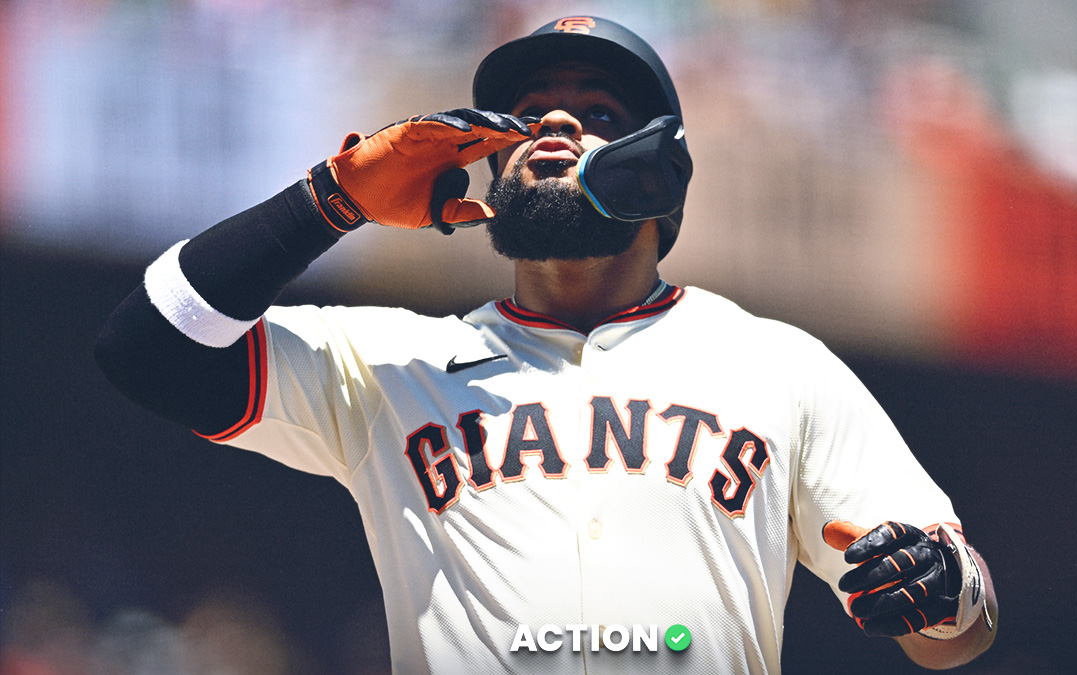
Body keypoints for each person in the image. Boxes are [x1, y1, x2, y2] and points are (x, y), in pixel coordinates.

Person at [95, 15, 997, 674]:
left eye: (599, 111)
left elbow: (957, 629)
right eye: (528, 115)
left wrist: (940, 583)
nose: (556, 125)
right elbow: (146, 345)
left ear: (664, 171)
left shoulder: (779, 364)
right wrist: (331, 197)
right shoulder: (391, 364)